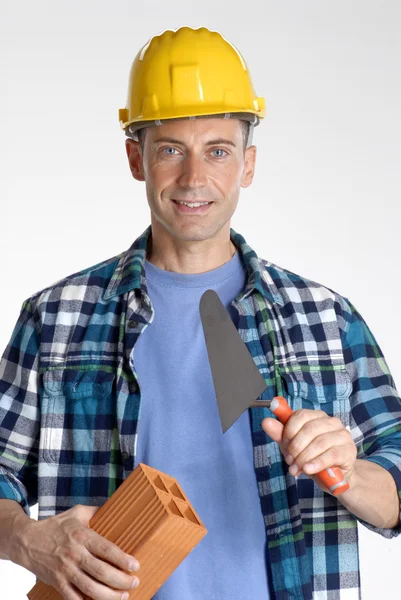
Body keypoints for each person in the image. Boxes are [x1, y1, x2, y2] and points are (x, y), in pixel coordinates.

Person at [0, 26, 400, 600]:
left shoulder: (326, 318)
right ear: (136, 158)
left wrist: (350, 472)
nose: (194, 178)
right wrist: (27, 540)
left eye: (218, 150)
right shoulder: (56, 319)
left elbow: (397, 482)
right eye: (170, 150)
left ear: (248, 164)